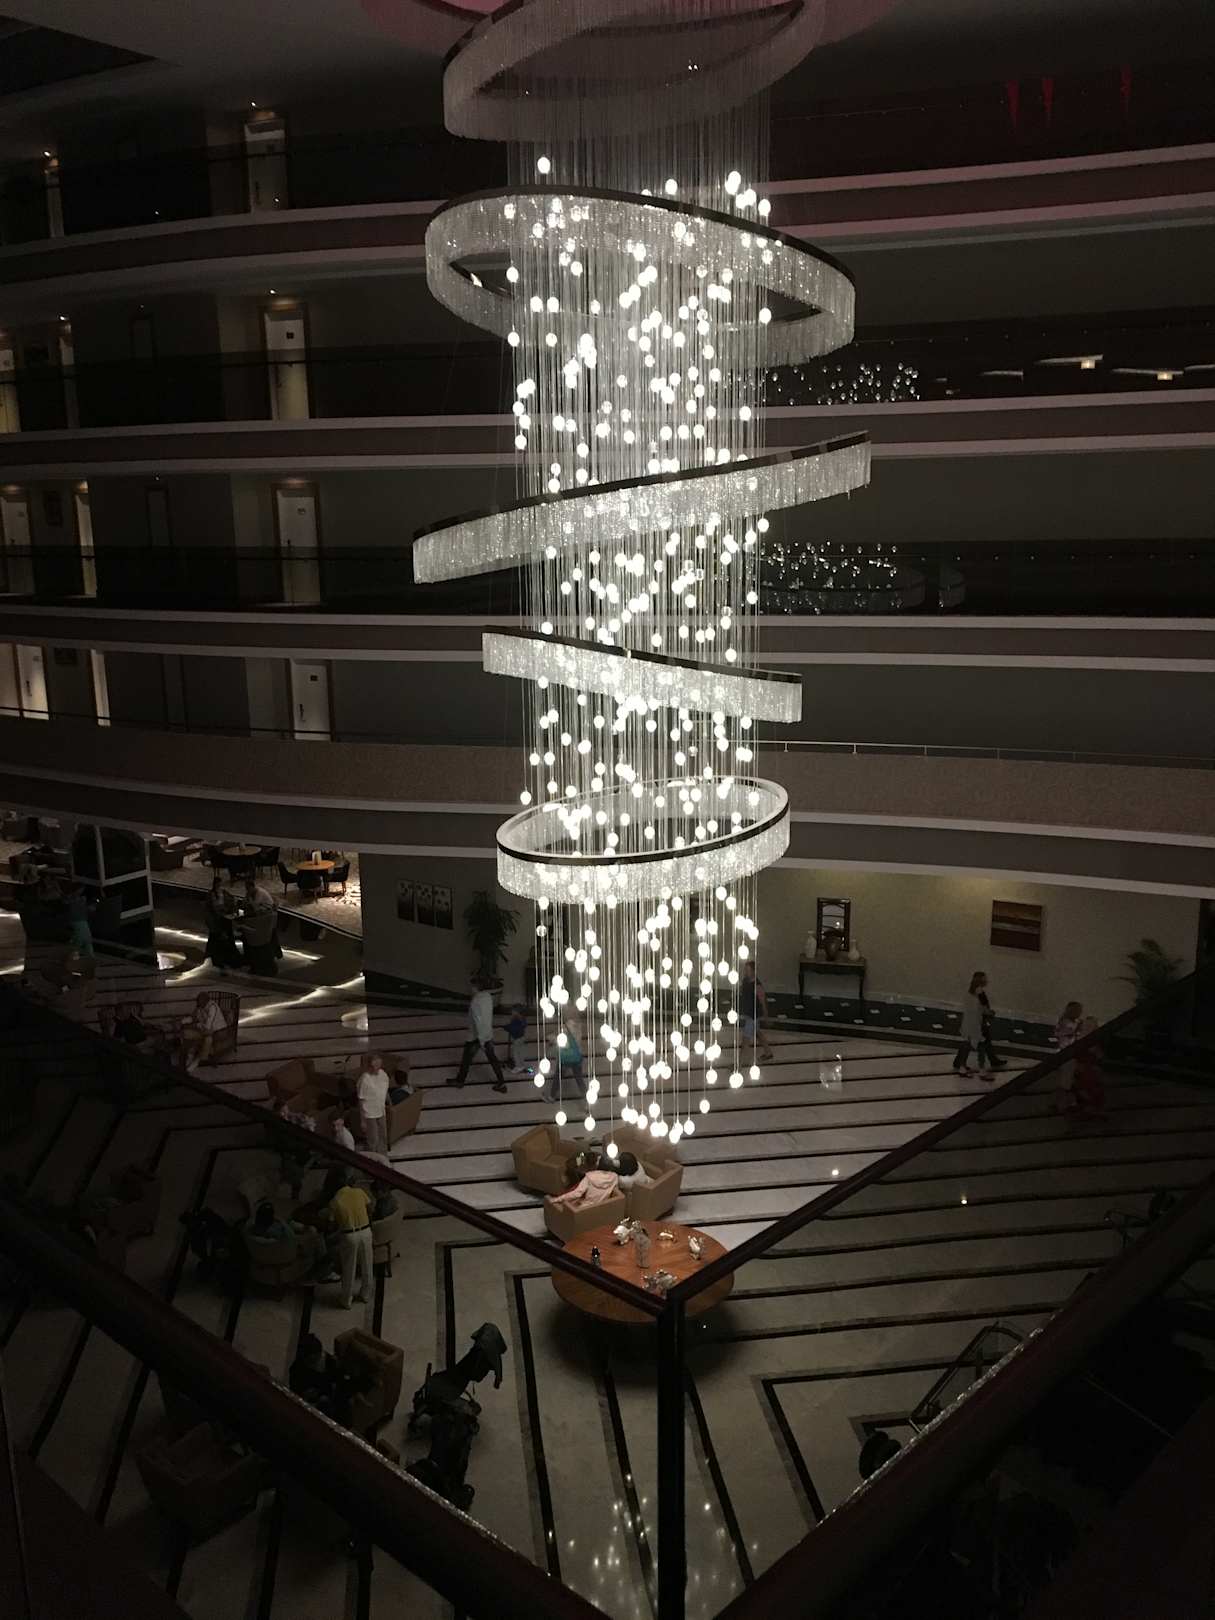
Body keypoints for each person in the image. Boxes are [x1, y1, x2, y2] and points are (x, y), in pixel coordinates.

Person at [446, 977, 508, 1092]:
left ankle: (460, 1081)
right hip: (487, 1034)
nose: (470, 989)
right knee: (492, 1059)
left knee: (466, 1059)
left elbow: (478, 1021)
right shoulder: (488, 997)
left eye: (472, 986)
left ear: (475, 987)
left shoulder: (476, 1002)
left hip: (476, 1036)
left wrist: (481, 1040)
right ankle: (501, 1083)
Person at [326, 1173, 373, 1309]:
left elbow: (330, 1225)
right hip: (366, 1232)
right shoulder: (359, 1192)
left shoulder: (335, 1201)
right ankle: (365, 1294)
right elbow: (370, 1209)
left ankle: (346, 1300)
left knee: (349, 1268)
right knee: (367, 1265)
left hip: (349, 1236)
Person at [953, 971, 998, 1081]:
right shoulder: (980, 995)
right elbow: (985, 1010)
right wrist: (991, 1013)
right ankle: (982, 1071)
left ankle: (962, 1067)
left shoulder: (968, 993)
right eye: (985, 979)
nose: (987, 980)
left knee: (966, 1044)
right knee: (981, 1047)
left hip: (967, 1023)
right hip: (977, 1024)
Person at [1065, 1017, 1106, 1121]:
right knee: (1083, 1088)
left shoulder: (1089, 1041)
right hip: (1084, 1070)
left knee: (1088, 1089)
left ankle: (1089, 1109)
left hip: (1087, 1070)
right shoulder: (1084, 1040)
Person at [549, 1154, 620, 1211]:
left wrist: (557, 1199)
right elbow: (615, 1193)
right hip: (602, 1207)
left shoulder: (589, 1176)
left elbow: (577, 1194)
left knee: (566, 1202)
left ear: (598, 1164)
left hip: (585, 1209)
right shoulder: (615, 1177)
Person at [238, 877, 279, 974]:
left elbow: (255, 907)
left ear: (252, 887)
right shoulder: (250, 893)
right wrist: (246, 899)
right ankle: (248, 958)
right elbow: (245, 904)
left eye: (248, 888)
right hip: (260, 917)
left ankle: (252, 960)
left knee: (247, 930)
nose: (247, 890)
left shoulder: (259, 893)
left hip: (265, 917)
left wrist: (248, 899)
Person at [182, 992, 228, 1071]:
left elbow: (207, 1027)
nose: (197, 1003)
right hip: (208, 1031)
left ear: (206, 1001)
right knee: (188, 1033)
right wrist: (183, 1022)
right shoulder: (200, 1007)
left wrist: (195, 1026)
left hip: (219, 1031)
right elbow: (193, 1017)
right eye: (197, 1001)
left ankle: (197, 1060)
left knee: (207, 1039)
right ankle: (191, 1055)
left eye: (199, 1001)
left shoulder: (212, 1008)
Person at [545, 1014, 586, 1102]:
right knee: (579, 1080)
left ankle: (551, 1097)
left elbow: (563, 1043)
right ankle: (587, 1100)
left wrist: (552, 1039)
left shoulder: (565, 1028)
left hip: (565, 1059)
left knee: (557, 1077)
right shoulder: (577, 1027)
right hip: (576, 1058)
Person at [740, 961, 774, 1062]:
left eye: (748, 970)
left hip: (753, 1016)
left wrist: (766, 1017)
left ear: (754, 971)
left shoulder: (757, 986)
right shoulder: (745, 981)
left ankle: (739, 1064)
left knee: (745, 1040)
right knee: (758, 1033)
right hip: (749, 1013)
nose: (746, 972)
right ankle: (768, 1053)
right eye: (745, 970)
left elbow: (763, 1002)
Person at [356, 1054, 390, 1157]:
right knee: (373, 1139)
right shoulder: (364, 1079)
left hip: (381, 1111)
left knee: (383, 1137)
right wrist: (363, 1121)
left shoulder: (383, 1075)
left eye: (378, 1065)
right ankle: (372, 1160)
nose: (376, 1068)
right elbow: (361, 1100)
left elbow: (385, 1091)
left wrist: (389, 1102)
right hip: (369, 1114)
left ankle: (383, 1158)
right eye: (374, 1066)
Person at [204, 875, 240, 969]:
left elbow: (231, 899)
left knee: (224, 934)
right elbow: (213, 908)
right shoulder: (211, 894)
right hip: (217, 918)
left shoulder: (223, 892)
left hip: (223, 916)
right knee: (219, 936)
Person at [64, 884, 93, 958]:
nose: (81, 890)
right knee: (81, 938)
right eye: (81, 888)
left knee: (86, 938)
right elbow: (67, 902)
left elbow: (84, 908)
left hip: (81, 919)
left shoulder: (82, 898)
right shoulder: (71, 898)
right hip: (77, 920)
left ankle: (90, 956)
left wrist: (88, 908)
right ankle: (76, 955)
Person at [506, 1005, 529, 1074]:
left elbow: (513, 1028)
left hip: (517, 1038)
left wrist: (508, 1027)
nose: (511, 1012)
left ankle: (518, 1066)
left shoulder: (515, 1019)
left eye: (513, 1011)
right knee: (520, 1052)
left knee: (516, 1053)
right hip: (521, 1037)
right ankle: (521, 1065)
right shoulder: (522, 1018)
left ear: (516, 1012)